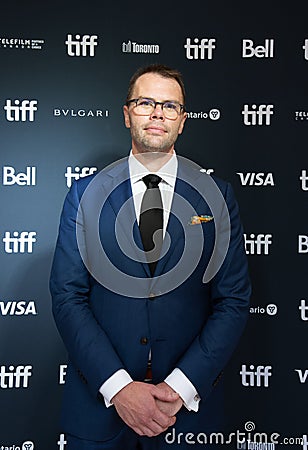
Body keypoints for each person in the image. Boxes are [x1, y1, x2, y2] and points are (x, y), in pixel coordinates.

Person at [50, 63, 251, 449]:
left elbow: (233, 300)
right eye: (145, 103)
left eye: (169, 106)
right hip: (99, 412)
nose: (158, 113)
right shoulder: (83, 195)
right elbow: (67, 297)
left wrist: (179, 387)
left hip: (188, 416)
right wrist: (120, 388)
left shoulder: (218, 197)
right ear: (127, 114)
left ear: (182, 121)